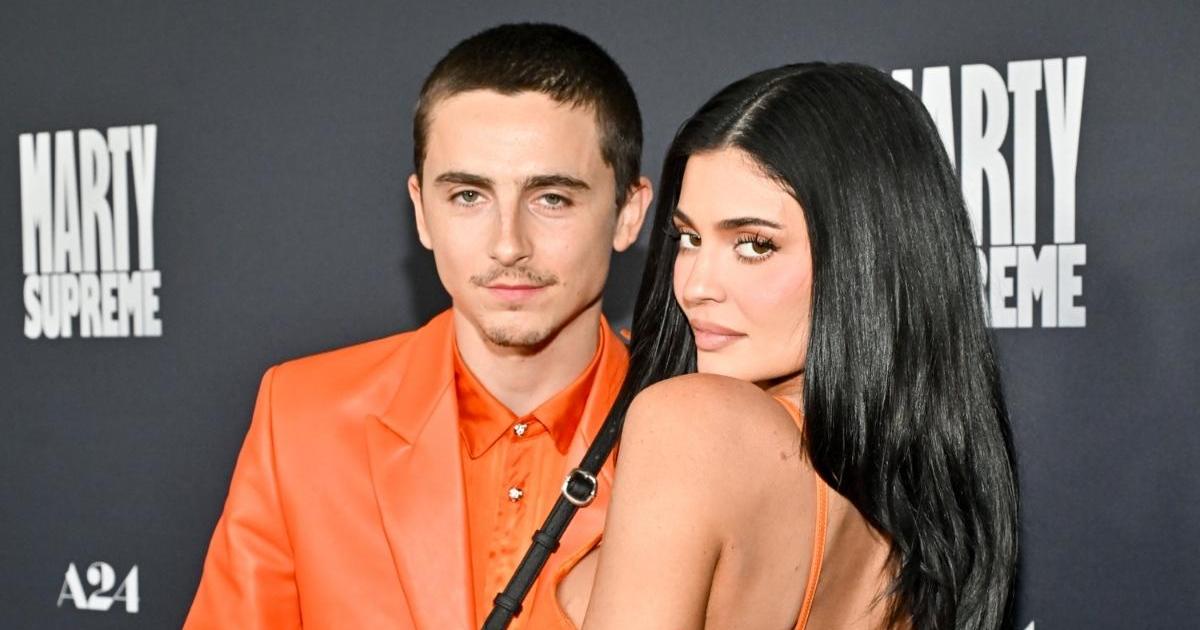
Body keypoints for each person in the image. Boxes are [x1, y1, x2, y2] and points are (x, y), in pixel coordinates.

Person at [183, 23, 651, 629]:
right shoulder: (302, 418)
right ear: (422, 211)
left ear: (628, 213)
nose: (508, 244)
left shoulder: (698, 441)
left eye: (552, 198)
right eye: (468, 196)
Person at [556, 63, 1019, 630]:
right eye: (690, 238)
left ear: (865, 259)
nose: (696, 285)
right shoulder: (918, 503)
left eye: (754, 245)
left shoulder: (690, 422)